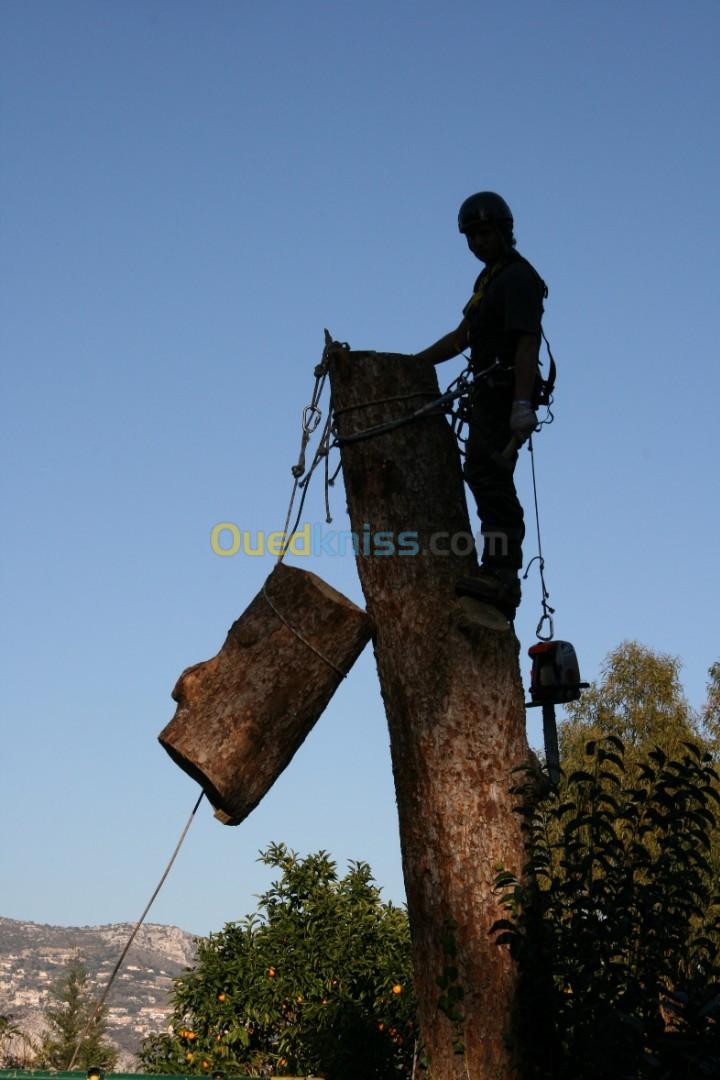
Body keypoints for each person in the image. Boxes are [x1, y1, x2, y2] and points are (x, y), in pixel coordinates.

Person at [413, 191, 546, 620]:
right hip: (488, 392)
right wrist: (410, 365)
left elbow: (527, 344)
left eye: (484, 234)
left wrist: (521, 404)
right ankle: (495, 568)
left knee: (491, 479)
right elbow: (460, 338)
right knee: (479, 472)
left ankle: (502, 573)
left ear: (505, 231)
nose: (477, 244)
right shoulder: (489, 280)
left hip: (506, 391)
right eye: (470, 237)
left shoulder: (519, 279)